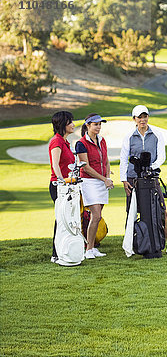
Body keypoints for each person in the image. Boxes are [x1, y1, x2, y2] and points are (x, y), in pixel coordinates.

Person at [120, 105, 167, 255]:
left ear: (148, 117)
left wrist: (151, 166)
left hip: (152, 177)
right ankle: (131, 245)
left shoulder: (156, 134)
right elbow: (124, 159)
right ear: (134, 119)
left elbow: (161, 156)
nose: (142, 120)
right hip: (133, 178)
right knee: (131, 211)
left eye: (145, 116)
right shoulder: (129, 136)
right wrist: (124, 180)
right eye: (139, 117)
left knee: (161, 209)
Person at [76, 113, 113, 259]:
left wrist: (108, 178)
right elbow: (86, 167)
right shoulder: (81, 143)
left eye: (100, 124)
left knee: (96, 217)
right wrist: (104, 179)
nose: (98, 127)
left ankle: (91, 247)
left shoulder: (102, 140)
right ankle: (88, 250)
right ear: (88, 126)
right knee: (96, 215)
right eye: (95, 124)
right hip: (89, 182)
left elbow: (106, 161)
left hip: (102, 181)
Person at [49, 111, 76, 263]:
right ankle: (56, 253)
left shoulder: (65, 142)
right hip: (59, 187)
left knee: (66, 219)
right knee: (61, 219)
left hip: (67, 186)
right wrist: (62, 182)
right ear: (62, 124)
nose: (73, 124)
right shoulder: (56, 141)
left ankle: (65, 250)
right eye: (70, 122)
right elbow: (55, 165)